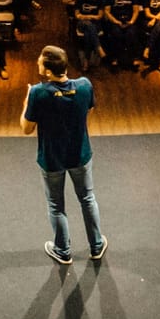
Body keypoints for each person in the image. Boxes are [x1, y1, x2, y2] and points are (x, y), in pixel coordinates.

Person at [21, 44, 107, 265]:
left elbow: (26, 128)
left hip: (52, 159)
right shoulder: (85, 85)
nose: (37, 62)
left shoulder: (37, 93)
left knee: (56, 206)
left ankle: (62, 250)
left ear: (48, 70)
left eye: (40, 60)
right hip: (80, 155)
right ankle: (96, 246)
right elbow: (87, 111)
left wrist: (26, 105)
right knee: (88, 199)